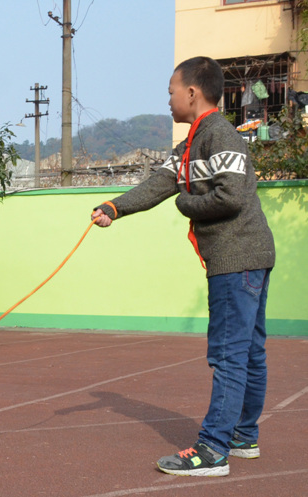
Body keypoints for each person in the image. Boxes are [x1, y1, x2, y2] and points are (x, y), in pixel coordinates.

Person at [91, 56, 275, 477]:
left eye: (171, 90)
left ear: (192, 92)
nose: (168, 98)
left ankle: (213, 450)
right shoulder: (192, 142)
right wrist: (113, 208)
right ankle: (243, 436)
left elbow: (230, 196)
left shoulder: (220, 134)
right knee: (248, 352)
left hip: (237, 258)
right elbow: (158, 183)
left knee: (230, 354)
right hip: (248, 256)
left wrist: (184, 203)